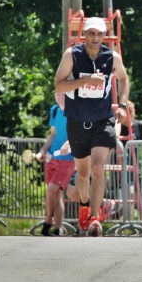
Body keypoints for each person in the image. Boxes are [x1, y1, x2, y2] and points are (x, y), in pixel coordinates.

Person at [55, 16, 130, 236]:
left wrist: (123, 106)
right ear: (85, 35)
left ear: (104, 35)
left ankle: (96, 217)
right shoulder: (72, 55)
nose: (95, 38)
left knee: (98, 168)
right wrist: (84, 81)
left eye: (99, 34)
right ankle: (85, 205)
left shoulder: (112, 57)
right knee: (83, 172)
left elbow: (124, 79)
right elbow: (59, 84)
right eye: (91, 34)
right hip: (77, 119)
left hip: (102, 119)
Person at [38, 92, 74, 236]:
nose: (61, 97)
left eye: (64, 94)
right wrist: (42, 150)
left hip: (67, 159)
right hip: (52, 158)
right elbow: (52, 134)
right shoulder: (54, 110)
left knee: (51, 190)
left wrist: (68, 144)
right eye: (59, 94)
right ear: (54, 95)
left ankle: (48, 221)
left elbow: (78, 133)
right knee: (57, 193)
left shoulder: (74, 111)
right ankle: (59, 227)